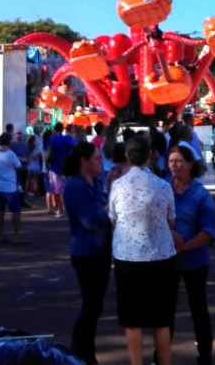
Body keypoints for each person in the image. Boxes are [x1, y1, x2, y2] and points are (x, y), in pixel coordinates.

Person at [108, 136, 176, 365]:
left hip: (128, 256)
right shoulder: (164, 185)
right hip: (161, 255)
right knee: (161, 319)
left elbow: (113, 219)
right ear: (151, 155)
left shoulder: (118, 185)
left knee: (132, 320)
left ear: (127, 156)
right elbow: (171, 220)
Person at [167, 146, 215, 365]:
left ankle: (205, 355)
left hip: (195, 260)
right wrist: (169, 233)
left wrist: (185, 246)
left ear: (190, 164)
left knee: (198, 309)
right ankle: (161, 355)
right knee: (165, 311)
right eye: (171, 161)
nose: (174, 165)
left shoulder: (200, 195)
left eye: (179, 161)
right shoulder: (163, 190)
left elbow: (209, 231)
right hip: (167, 260)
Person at [62, 141, 110, 365]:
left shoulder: (96, 181)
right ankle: (79, 352)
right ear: (84, 161)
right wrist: (111, 210)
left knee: (95, 305)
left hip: (100, 250)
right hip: (86, 251)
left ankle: (84, 352)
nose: (100, 162)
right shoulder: (75, 186)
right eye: (96, 158)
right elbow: (89, 220)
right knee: (90, 305)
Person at [0, 133, 25, 244]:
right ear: (9, 142)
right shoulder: (10, 154)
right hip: (10, 186)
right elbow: (19, 167)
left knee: (0, 211)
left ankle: (1, 235)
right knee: (15, 212)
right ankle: (16, 236)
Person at [46, 123, 77, 218]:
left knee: (56, 191)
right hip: (65, 167)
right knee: (66, 190)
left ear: (55, 129)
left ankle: (60, 210)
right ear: (62, 129)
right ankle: (68, 208)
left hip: (53, 168)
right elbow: (76, 145)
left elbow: (45, 150)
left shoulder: (51, 139)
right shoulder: (66, 138)